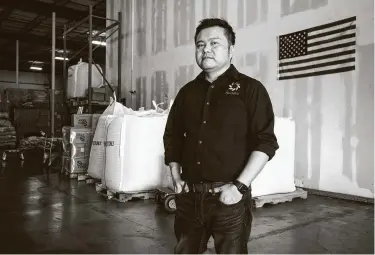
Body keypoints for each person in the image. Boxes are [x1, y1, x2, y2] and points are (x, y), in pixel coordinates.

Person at [163, 18, 279, 254]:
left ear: (231, 49)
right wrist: (176, 176)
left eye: (214, 43)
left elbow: (266, 142)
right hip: (189, 198)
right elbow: (172, 137)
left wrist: (239, 187)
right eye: (200, 44)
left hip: (230, 199)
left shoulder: (250, 89)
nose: (206, 49)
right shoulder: (187, 93)